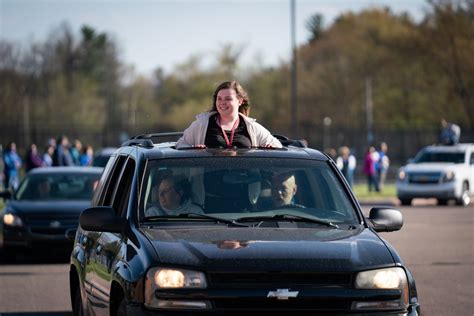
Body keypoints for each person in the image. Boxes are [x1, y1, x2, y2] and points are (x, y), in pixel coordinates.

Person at [176, 80, 282, 149]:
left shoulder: (251, 126)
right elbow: (181, 144)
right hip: (211, 183)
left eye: (228, 99)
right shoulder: (202, 124)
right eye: (219, 99)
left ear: (240, 101)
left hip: (247, 183)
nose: (222, 102)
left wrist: (271, 148)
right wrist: (193, 150)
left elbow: (278, 146)